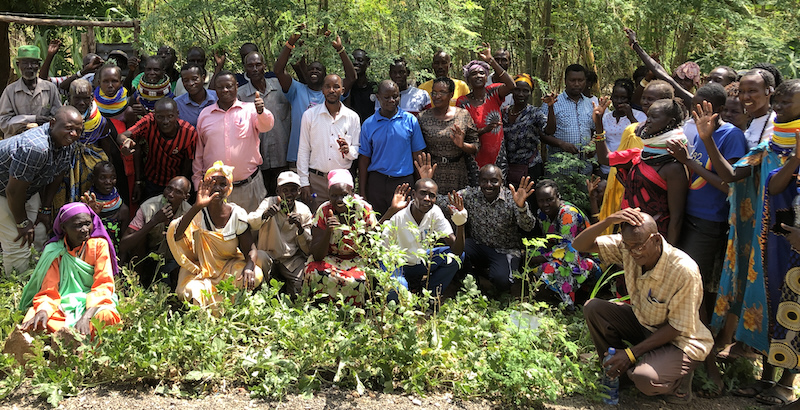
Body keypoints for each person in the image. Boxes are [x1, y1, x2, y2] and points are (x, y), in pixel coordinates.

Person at [704, 80, 800, 405]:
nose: (780, 108)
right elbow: (732, 176)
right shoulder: (770, 147)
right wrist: (707, 141)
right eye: (780, 102)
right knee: (769, 303)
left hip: (795, 245)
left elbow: (779, 189)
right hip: (767, 241)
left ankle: (787, 384)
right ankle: (765, 378)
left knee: (793, 309)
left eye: (788, 103)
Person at [575, 208, 713, 404]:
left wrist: (631, 354)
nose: (633, 252)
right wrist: (609, 220)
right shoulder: (629, 246)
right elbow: (579, 244)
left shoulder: (684, 270)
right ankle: (618, 373)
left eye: (638, 246)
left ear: (656, 240)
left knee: (644, 379)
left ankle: (678, 384)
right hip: (646, 324)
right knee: (594, 308)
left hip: (680, 341)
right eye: (628, 246)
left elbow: (677, 327)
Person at [4, 202, 120, 364]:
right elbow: (48, 290)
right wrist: (43, 310)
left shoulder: (99, 246)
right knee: (34, 318)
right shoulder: (55, 251)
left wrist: (86, 316)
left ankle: (70, 349)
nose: (85, 229)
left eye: (87, 223)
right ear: (64, 228)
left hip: (95, 303)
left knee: (105, 316)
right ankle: (57, 348)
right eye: (78, 226)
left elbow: (103, 285)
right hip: (63, 302)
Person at [167, 161, 269, 308]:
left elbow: (250, 249)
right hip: (202, 270)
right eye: (212, 183)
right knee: (190, 290)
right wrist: (197, 206)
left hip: (229, 267)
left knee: (256, 274)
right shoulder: (198, 213)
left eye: (223, 184)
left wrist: (248, 266)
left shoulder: (237, 214)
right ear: (204, 187)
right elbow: (176, 235)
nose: (217, 188)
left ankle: (240, 308)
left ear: (229, 188)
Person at [594, 98, 689, 244]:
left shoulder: (673, 167)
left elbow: (676, 218)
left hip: (655, 240)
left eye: (654, 117)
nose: (648, 121)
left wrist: (668, 254)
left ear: (670, 122)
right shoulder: (640, 155)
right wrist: (599, 124)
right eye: (648, 116)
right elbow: (605, 159)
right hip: (629, 233)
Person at [0, 106, 81, 274]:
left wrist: (45, 209)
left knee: (39, 233)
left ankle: (39, 278)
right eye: (68, 128)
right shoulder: (36, 147)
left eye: (78, 130)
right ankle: (19, 289)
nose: (73, 134)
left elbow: (57, 175)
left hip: (26, 189)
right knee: (18, 243)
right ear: (52, 124)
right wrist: (22, 222)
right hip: (4, 191)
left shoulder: (68, 144)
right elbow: (13, 193)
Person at [194, 71, 275, 213]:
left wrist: (261, 112)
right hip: (215, 190)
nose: (225, 90)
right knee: (219, 233)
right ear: (215, 89)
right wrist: (197, 184)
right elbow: (199, 153)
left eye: (229, 86)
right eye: (220, 87)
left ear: (236, 86)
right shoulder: (205, 115)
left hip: (249, 187)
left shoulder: (250, 110)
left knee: (253, 230)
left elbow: (266, 126)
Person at [274, 25, 357, 163]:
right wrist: (290, 43)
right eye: (311, 69)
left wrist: (340, 50)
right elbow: (278, 71)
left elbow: (351, 78)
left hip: (323, 160)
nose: (314, 71)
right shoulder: (296, 90)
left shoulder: (332, 94)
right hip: (297, 158)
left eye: (318, 69)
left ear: (325, 75)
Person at [382, 179, 466, 300]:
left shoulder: (435, 212)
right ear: (413, 195)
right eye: (423, 193)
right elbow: (379, 246)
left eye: (432, 196)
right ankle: (402, 287)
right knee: (397, 291)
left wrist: (460, 222)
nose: (427, 198)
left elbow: (457, 251)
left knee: (456, 257)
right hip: (397, 264)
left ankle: (429, 294)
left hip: (420, 261)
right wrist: (390, 211)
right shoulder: (398, 215)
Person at [305, 169, 377, 305]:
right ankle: (321, 309)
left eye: (344, 195)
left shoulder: (364, 210)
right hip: (329, 258)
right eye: (334, 196)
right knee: (314, 270)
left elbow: (372, 243)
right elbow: (317, 255)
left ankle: (352, 313)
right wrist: (328, 231)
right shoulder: (324, 211)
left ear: (352, 193)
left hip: (356, 259)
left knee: (357, 279)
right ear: (328, 195)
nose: (339, 200)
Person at [359, 80, 426, 215]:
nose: (392, 100)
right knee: (377, 225)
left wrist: (421, 186)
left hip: (404, 182)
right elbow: (364, 159)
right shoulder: (368, 124)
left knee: (403, 225)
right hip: (376, 182)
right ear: (378, 97)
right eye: (386, 97)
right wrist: (362, 192)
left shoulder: (410, 121)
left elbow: (417, 155)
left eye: (395, 96)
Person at [52, 79, 121, 211]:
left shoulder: (100, 121)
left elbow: (106, 150)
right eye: (77, 98)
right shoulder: (58, 118)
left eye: (86, 98)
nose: (82, 103)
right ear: (68, 97)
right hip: (63, 163)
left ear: (92, 98)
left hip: (90, 168)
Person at [529, 179, 599, 305]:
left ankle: (566, 303)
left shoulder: (568, 214)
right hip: (560, 252)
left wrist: (540, 259)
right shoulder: (542, 214)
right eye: (541, 201)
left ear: (558, 196)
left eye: (549, 199)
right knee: (528, 254)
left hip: (583, 257)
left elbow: (567, 248)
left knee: (552, 267)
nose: (545, 204)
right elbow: (548, 242)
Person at [297, 74, 361, 211]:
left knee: (343, 222)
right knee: (318, 221)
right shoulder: (310, 115)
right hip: (317, 181)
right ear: (322, 90)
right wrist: (304, 183)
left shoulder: (352, 117)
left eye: (336, 87)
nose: (332, 90)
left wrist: (348, 150)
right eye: (328, 87)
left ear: (342, 90)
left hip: (342, 182)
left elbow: (356, 150)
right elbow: (303, 150)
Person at [247, 171, 313, 297]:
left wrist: (300, 228)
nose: (289, 194)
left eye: (293, 190)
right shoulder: (268, 203)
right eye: (285, 190)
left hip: (291, 259)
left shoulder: (303, 210)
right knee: (259, 257)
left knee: (301, 287)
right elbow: (251, 222)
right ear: (278, 191)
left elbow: (308, 248)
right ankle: (266, 289)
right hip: (268, 256)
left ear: (299, 192)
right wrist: (265, 215)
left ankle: (288, 292)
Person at [120, 176, 192, 289]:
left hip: (173, 260)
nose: (171, 194)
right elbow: (124, 245)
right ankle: (136, 284)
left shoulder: (189, 213)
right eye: (169, 189)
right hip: (147, 256)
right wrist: (154, 221)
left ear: (185, 197)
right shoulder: (148, 207)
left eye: (178, 192)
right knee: (140, 237)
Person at [237, 52, 292, 196]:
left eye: (258, 65)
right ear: (245, 69)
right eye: (250, 66)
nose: (254, 69)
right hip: (258, 161)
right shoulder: (240, 95)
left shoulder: (280, 86)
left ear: (264, 66)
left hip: (283, 155)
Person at [124, 97, 197, 202]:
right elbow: (124, 135)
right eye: (160, 117)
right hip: (152, 180)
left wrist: (180, 187)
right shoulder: (149, 121)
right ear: (154, 115)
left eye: (170, 116)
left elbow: (188, 163)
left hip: (174, 183)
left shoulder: (188, 133)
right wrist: (125, 143)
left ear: (177, 114)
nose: (165, 121)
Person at [417, 77, 479, 195]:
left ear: (451, 94)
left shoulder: (463, 115)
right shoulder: (422, 117)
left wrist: (462, 145)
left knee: (456, 211)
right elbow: (418, 150)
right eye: (434, 93)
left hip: (458, 172)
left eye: (442, 92)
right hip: (433, 172)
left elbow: (476, 146)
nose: (437, 96)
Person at [456, 44, 515, 169]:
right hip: (474, 157)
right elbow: (463, 134)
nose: (478, 76)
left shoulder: (493, 92)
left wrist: (491, 60)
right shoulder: (463, 102)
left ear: (486, 77)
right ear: (468, 79)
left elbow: (511, 86)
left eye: (482, 73)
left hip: (498, 155)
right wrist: (484, 130)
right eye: (473, 73)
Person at [539, 64, 594, 171]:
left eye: (580, 80)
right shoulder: (552, 102)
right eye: (572, 80)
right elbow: (541, 134)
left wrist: (592, 145)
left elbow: (594, 131)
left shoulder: (590, 104)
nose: (577, 84)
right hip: (559, 168)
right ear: (565, 81)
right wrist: (561, 144)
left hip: (585, 168)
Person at [0, 45, 62, 139]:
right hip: (16, 144)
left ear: (39, 65)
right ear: (18, 65)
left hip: (43, 141)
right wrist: (33, 119)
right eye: (25, 63)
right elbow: (4, 123)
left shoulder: (50, 89)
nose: (29, 67)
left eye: (33, 63)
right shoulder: (10, 91)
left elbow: (58, 117)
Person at [502, 74, 547, 183]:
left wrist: (550, 107)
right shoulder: (503, 112)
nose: (521, 94)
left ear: (530, 93)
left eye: (525, 91)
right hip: (507, 167)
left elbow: (549, 130)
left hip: (531, 168)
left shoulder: (535, 113)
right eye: (517, 90)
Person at [597, 78, 647, 176]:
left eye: (623, 98)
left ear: (629, 99)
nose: (619, 101)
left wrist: (630, 116)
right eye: (616, 97)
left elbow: (643, 137)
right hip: (607, 167)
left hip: (629, 168)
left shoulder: (639, 116)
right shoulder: (606, 117)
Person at [81, 161, 130, 249]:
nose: (108, 182)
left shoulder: (122, 210)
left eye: (113, 177)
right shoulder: (85, 204)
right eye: (103, 178)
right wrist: (93, 214)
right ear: (93, 179)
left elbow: (124, 243)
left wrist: (121, 262)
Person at [126, 55, 176, 128]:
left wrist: (145, 114)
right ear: (144, 71)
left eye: (156, 70)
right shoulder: (136, 97)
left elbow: (167, 126)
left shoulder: (171, 100)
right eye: (148, 69)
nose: (152, 72)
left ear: (163, 72)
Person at [739, 68, 777, 149]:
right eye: (741, 91)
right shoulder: (747, 120)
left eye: (752, 91)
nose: (745, 97)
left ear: (769, 91)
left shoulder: (775, 124)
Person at [175, 63, 218, 127]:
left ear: (203, 78)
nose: (190, 83)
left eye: (194, 79)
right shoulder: (177, 104)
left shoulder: (217, 98)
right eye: (186, 80)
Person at [345, 48, 377, 122]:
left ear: (368, 63)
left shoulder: (374, 88)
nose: (355, 63)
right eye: (353, 60)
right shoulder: (346, 87)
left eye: (360, 60)